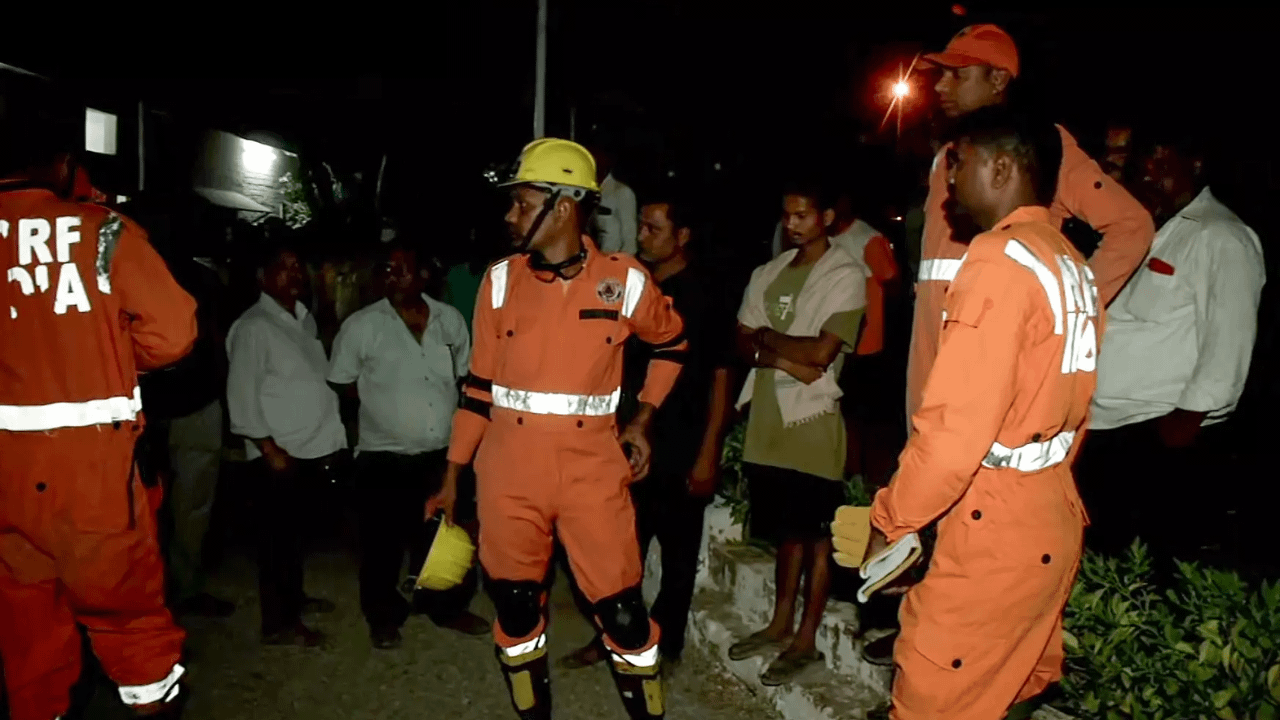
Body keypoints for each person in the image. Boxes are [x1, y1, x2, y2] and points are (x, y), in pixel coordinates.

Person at [426, 138, 686, 720]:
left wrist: (643, 419)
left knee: (622, 612)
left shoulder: (625, 280)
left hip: (592, 468)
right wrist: (452, 477)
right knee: (516, 609)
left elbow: (673, 344)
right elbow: (478, 390)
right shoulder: (497, 283)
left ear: (563, 207)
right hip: (508, 468)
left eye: (522, 203)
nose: (510, 215)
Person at [862, 106, 1097, 720]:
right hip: (1051, 504)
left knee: (934, 696)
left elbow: (954, 431)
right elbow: (1074, 405)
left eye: (958, 163)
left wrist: (891, 521)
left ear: (1001, 167)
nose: (947, 180)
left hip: (995, 521)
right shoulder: (1068, 260)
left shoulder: (998, 259)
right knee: (1016, 686)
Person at [0, 100, 196, 720]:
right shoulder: (101, 229)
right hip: (94, 470)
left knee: (28, 636)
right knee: (132, 622)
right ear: (62, 165)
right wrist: (109, 358)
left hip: (4, 475)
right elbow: (173, 332)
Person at [907, 23, 1152, 422]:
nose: (940, 87)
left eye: (957, 75)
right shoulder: (949, 154)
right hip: (933, 343)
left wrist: (1064, 311)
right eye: (941, 74)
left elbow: (1131, 226)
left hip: (992, 351)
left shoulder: (1039, 147)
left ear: (998, 79)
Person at [559, 188, 735, 673]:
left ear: (682, 236)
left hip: (681, 444)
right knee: (616, 549)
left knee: (678, 557)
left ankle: (665, 646)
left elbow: (722, 377)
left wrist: (709, 452)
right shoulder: (631, 288)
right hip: (626, 443)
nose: (641, 236)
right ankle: (615, 634)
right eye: (641, 226)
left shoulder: (704, 294)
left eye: (653, 228)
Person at [1078, 131, 1265, 560]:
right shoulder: (1141, 231)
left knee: (1152, 569)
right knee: (1106, 566)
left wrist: (1181, 427)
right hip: (1105, 431)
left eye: (1164, 158)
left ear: (1194, 164)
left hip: (1160, 435)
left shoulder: (1221, 235)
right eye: (1147, 157)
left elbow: (1229, 342)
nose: (1149, 168)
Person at [730, 181, 867, 686]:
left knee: (815, 537)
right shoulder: (767, 272)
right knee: (787, 532)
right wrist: (781, 352)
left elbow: (821, 354)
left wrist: (767, 341)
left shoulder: (846, 274)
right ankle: (779, 624)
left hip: (812, 418)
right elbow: (741, 342)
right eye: (787, 215)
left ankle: (806, 638)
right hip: (768, 416)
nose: (792, 224)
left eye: (803, 215)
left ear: (827, 216)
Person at [328, 242, 489, 649]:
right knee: (382, 542)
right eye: (387, 269)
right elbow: (342, 383)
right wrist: (388, 413)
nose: (393, 275)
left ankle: (446, 607)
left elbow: (463, 379)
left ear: (423, 275)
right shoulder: (362, 325)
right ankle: (382, 617)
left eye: (403, 268)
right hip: (384, 455)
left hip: (442, 454)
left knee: (445, 538)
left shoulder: (449, 320)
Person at [226, 243, 346, 647]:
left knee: (294, 536)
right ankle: (278, 622)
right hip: (276, 453)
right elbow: (241, 394)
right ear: (262, 276)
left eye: (299, 268)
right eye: (284, 268)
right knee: (276, 541)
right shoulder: (254, 326)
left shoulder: (300, 320)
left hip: (305, 448)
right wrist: (268, 447)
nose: (295, 275)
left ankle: (294, 599)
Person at [589, 135, 639, 255]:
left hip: (614, 261)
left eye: (596, 155)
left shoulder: (621, 192)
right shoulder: (588, 192)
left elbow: (630, 239)